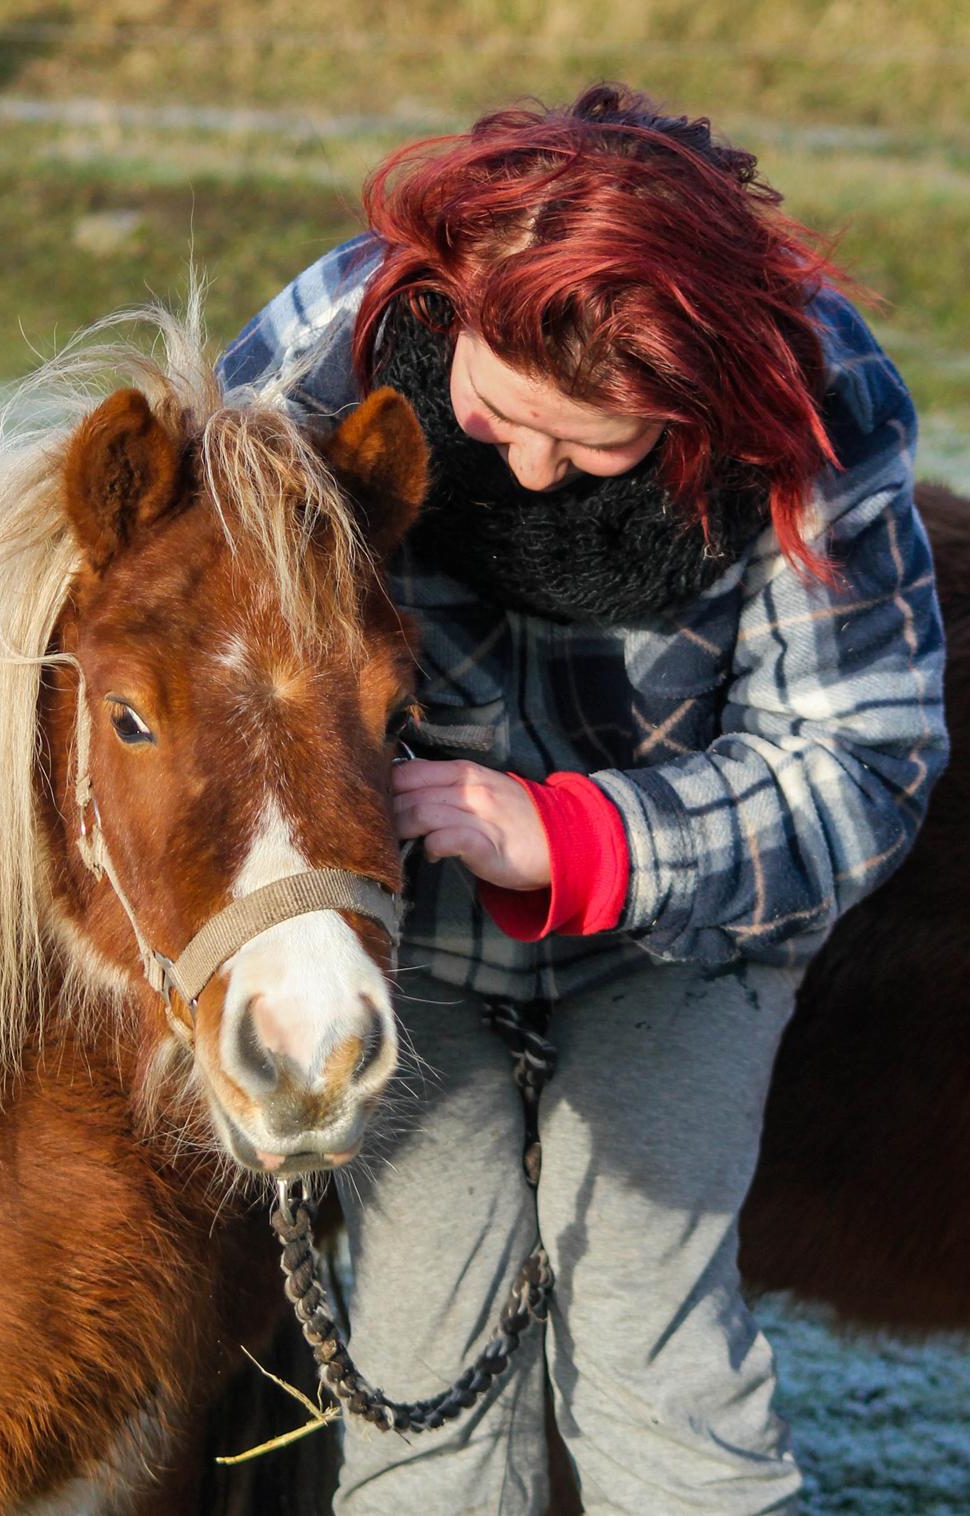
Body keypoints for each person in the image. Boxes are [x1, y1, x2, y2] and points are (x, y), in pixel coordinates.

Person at [218, 84, 947, 1516]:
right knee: (426, 1334)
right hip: (411, 928)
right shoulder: (331, 345)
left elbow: (861, 763)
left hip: (701, 929)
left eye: (598, 443)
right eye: (497, 413)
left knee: (647, 1333)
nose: (534, 467)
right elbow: (215, 626)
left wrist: (567, 835)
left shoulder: (816, 403)